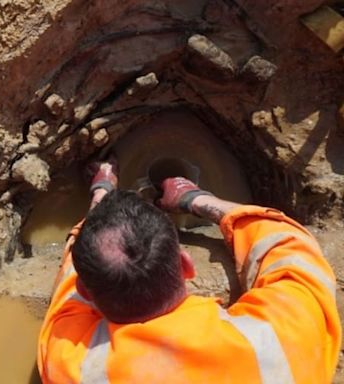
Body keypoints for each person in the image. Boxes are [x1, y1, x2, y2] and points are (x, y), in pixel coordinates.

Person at [37, 157, 341, 384]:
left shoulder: (74, 365)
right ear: (186, 264)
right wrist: (196, 200)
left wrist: (101, 196)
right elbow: (290, 246)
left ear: (86, 292)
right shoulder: (283, 342)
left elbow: (68, 293)